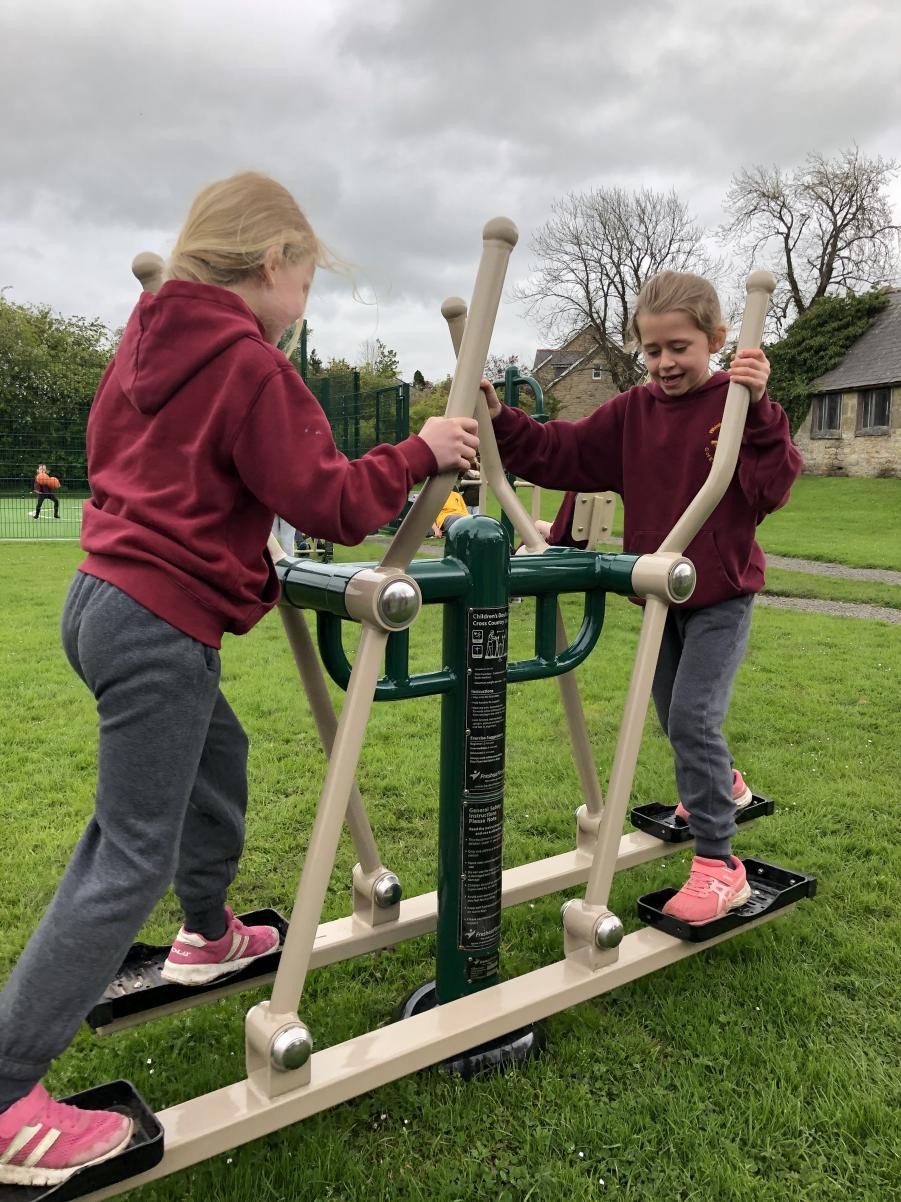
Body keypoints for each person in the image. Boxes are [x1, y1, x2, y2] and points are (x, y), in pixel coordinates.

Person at [0, 171, 478, 1187]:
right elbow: (327, 496)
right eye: (307, 283)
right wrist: (423, 446)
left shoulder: (143, 340)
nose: (304, 309)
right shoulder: (252, 365)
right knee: (125, 852)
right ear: (273, 266)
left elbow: (112, 455)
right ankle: (5, 1094)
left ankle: (209, 929)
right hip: (158, 619)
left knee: (219, 753)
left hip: (99, 599)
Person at [481, 269, 802, 928]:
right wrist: (500, 420)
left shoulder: (734, 405)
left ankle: (719, 867)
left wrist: (761, 408)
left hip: (718, 593)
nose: (663, 364)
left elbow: (772, 487)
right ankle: (726, 786)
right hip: (660, 592)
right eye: (651, 350)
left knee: (689, 719)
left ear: (714, 339)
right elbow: (561, 452)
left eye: (678, 348)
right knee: (671, 715)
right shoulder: (631, 412)